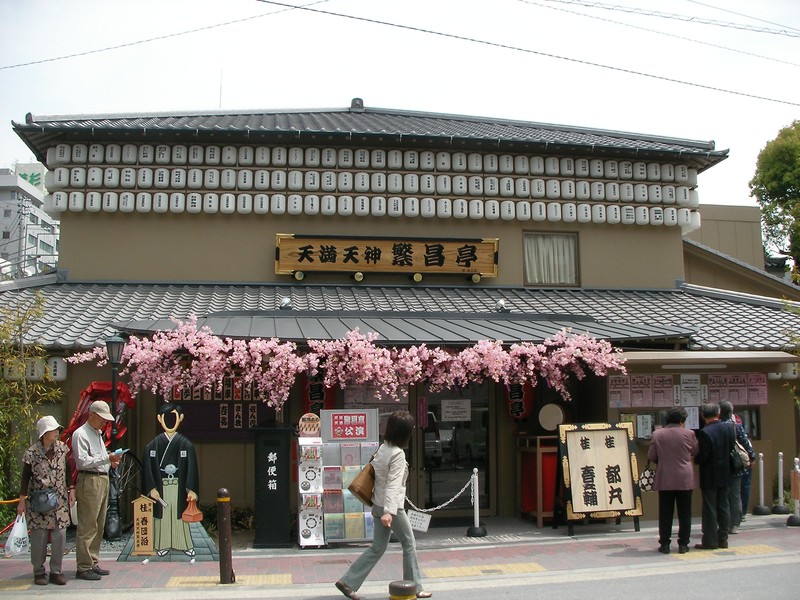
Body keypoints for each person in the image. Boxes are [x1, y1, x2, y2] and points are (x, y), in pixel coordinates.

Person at [335, 411, 431, 600]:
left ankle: (347, 581)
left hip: (378, 505)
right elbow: (393, 485)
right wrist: (389, 512)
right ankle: (415, 588)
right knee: (409, 544)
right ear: (405, 433)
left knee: (378, 547)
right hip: (391, 509)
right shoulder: (398, 454)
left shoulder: (383, 448)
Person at [18, 416, 74, 585]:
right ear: (44, 433)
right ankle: (39, 571)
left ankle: (56, 571)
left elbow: (68, 469)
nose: (56, 432)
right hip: (39, 500)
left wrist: (72, 489)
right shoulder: (32, 453)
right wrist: (22, 501)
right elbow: (25, 478)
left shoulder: (62, 448)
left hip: (59, 500)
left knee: (60, 534)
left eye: (57, 429)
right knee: (39, 536)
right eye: (52, 430)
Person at [71, 399, 121, 580]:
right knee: (88, 524)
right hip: (89, 479)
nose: (104, 422)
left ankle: (92, 561)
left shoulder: (97, 433)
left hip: (102, 478)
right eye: (102, 418)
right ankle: (83, 566)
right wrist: (107, 458)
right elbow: (82, 461)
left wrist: (110, 462)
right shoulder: (80, 434)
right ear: (91, 415)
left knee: (99, 523)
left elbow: (99, 457)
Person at [142, 403, 199, 557]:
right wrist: (151, 488)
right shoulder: (153, 445)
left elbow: (192, 468)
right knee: (163, 517)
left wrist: (191, 489)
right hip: (161, 487)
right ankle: (163, 544)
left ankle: (184, 544)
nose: (169, 421)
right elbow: (147, 468)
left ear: (180, 418)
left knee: (180, 517)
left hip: (179, 486)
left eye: (173, 417)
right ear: (159, 419)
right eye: (166, 417)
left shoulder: (186, 444)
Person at [647, 407, 698, 554]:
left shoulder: (657, 434)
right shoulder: (689, 433)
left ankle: (665, 544)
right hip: (685, 478)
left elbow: (651, 456)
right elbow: (695, 451)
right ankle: (683, 544)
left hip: (665, 477)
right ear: (682, 420)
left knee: (665, 512)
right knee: (685, 513)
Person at [694, 402, 735, 550]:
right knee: (724, 505)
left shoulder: (704, 432)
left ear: (703, 416)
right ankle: (723, 538)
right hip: (726, 472)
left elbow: (703, 456)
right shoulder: (729, 428)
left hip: (709, 474)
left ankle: (710, 540)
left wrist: (696, 459)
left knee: (710, 508)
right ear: (718, 414)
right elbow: (731, 447)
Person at [719, 401, 755, 533]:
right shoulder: (737, 427)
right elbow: (746, 443)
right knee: (735, 496)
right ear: (731, 412)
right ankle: (734, 525)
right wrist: (752, 457)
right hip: (736, 465)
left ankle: (723, 523)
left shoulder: (716, 427)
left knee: (722, 496)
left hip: (720, 465)